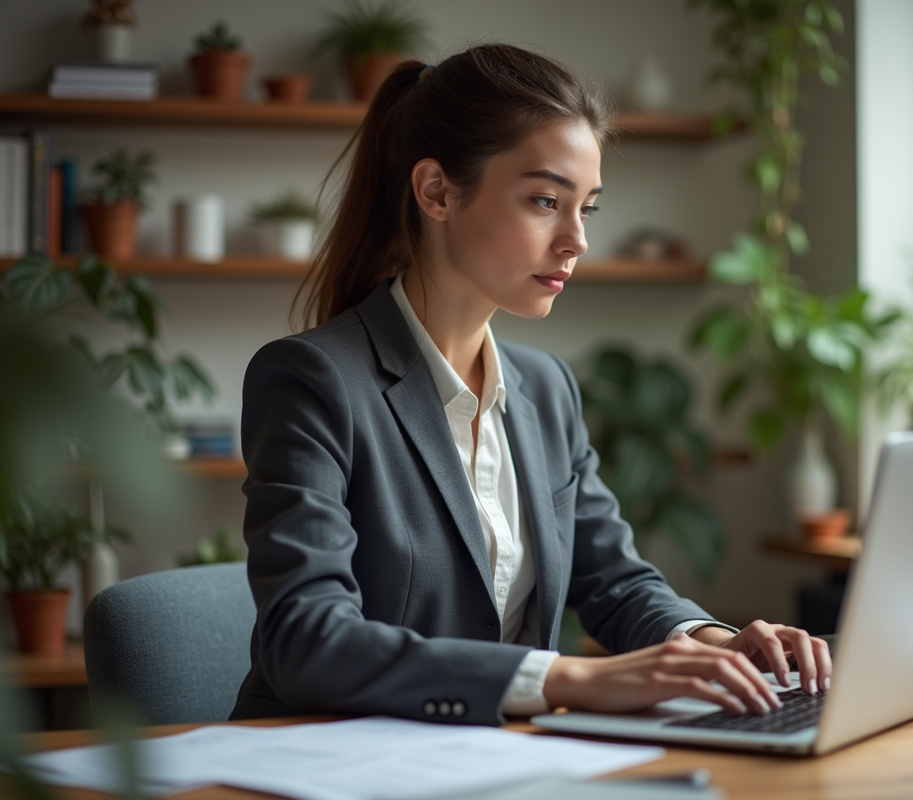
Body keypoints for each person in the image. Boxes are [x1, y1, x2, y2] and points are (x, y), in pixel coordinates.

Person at [230, 43, 831, 726]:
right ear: (437, 192)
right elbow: (306, 642)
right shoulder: (314, 380)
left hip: (504, 758)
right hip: (334, 760)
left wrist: (716, 646)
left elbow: (614, 581)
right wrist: (570, 677)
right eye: (545, 200)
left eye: (587, 209)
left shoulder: (545, 389)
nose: (576, 239)